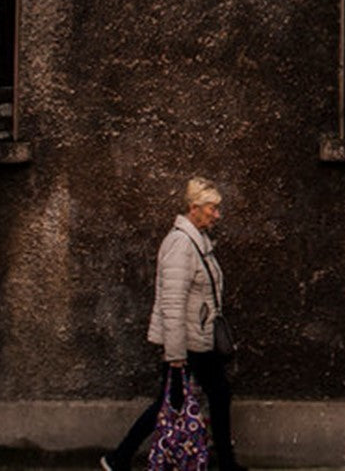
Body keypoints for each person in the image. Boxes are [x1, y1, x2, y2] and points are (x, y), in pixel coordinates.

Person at [103, 177, 244, 471]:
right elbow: (173, 304)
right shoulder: (181, 244)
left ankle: (226, 464)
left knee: (216, 395)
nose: (217, 215)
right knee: (169, 404)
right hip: (187, 344)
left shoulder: (199, 240)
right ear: (194, 208)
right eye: (212, 209)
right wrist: (176, 356)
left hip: (200, 338)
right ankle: (117, 459)